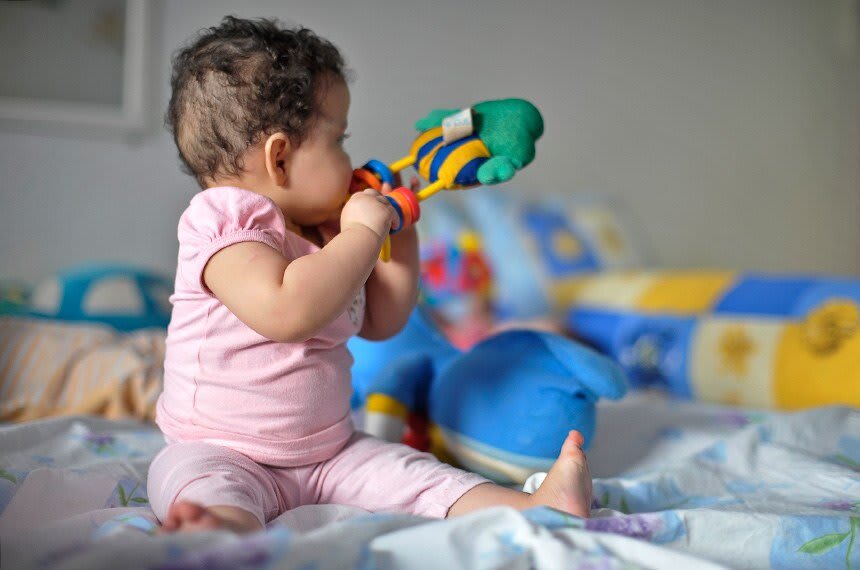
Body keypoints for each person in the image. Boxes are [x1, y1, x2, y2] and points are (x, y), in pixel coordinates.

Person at [148, 16, 592, 533]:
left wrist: (397, 235)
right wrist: (361, 233)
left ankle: (536, 506)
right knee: (195, 481)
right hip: (222, 449)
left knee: (414, 473)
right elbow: (286, 310)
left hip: (329, 451)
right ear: (280, 158)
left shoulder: (328, 233)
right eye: (339, 140)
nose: (349, 158)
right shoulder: (225, 221)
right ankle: (217, 530)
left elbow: (382, 321)